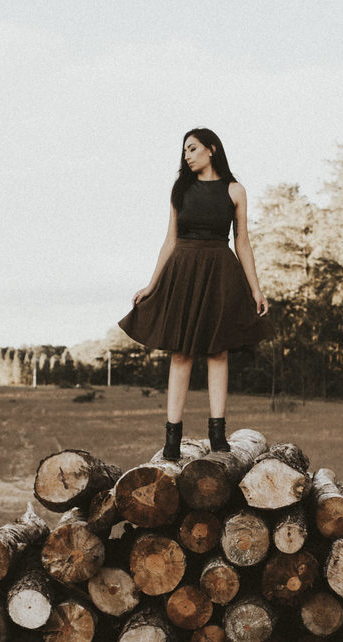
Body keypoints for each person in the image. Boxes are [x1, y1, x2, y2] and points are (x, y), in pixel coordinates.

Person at [119, 128, 273, 460]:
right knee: (181, 353)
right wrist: (151, 284)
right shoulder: (180, 190)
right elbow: (170, 240)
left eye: (193, 148)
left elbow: (242, 242)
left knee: (218, 353)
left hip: (220, 272)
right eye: (184, 151)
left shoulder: (235, 190)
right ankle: (172, 439)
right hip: (183, 271)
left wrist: (255, 289)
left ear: (212, 149)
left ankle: (218, 436)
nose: (187, 155)